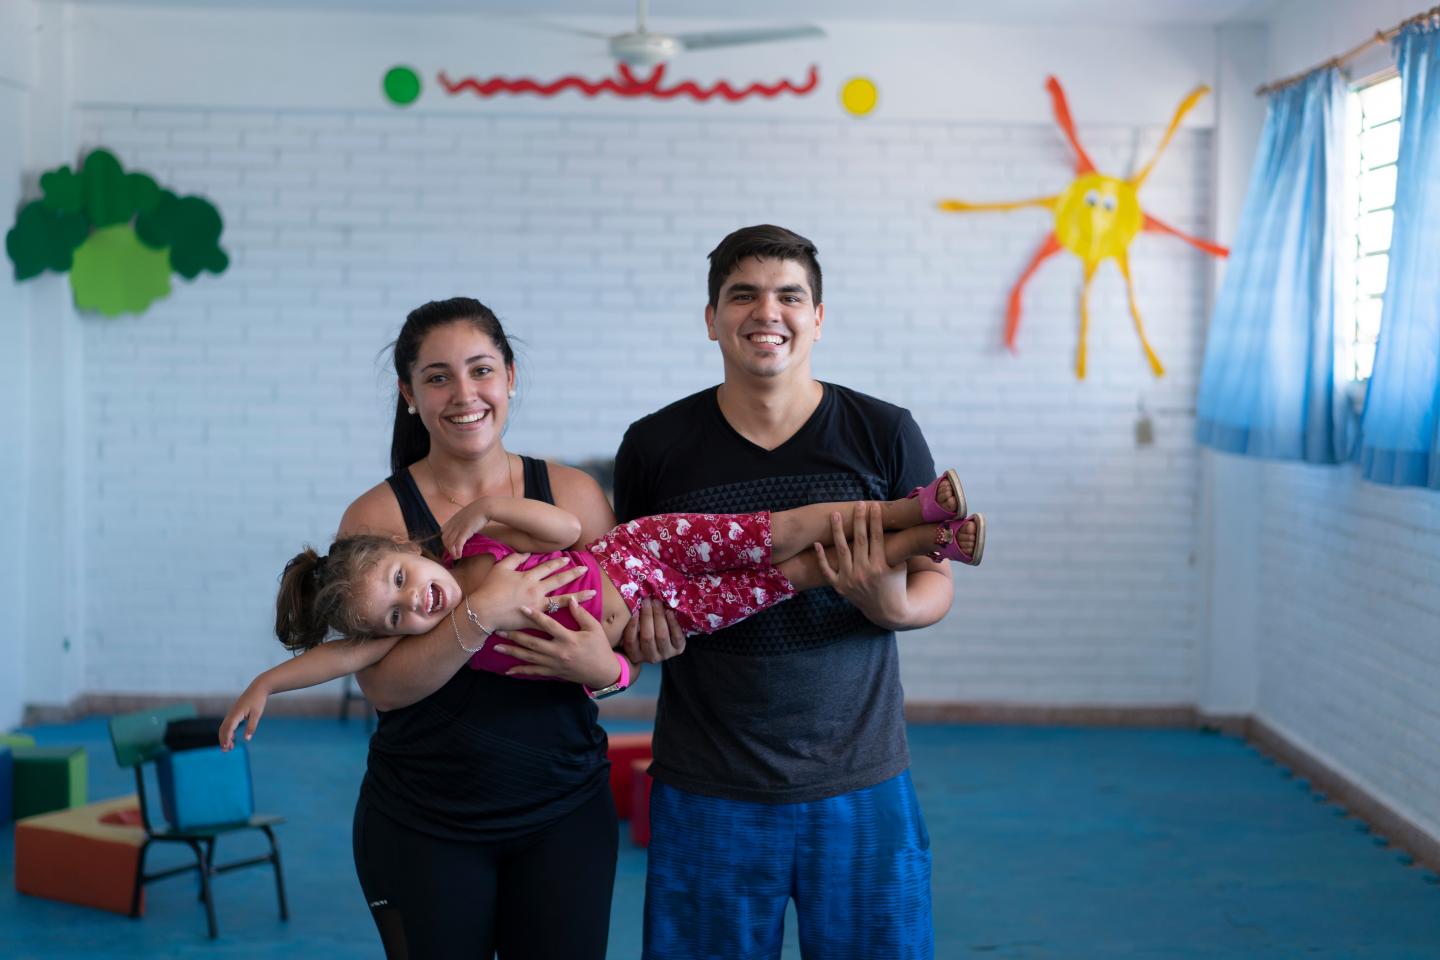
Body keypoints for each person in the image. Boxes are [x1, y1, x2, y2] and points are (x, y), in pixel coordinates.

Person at [614, 224, 957, 959]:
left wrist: (893, 607)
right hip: (709, 785)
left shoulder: (884, 432)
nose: (767, 313)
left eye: (788, 296)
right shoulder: (656, 445)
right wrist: (641, 634)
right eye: (743, 296)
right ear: (711, 319)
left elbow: (935, 580)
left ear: (818, 317)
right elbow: (635, 586)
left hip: (859, 781)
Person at [319, 296, 685, 960]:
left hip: (564, 810)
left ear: (510, 376)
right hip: (423, 819)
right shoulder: (379, 516)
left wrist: (610, 667)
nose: (464, 393)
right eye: (437, 377)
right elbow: (385, 689)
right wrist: (481, 610)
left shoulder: (572, 496)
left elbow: (616, 639)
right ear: (409, 394)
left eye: (481, 370)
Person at [220, 475, 984, 746]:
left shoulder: (467, 559)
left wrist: (491, 509)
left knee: (780, 530)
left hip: (636, 553)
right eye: (395, 618)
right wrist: (265, 683)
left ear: (415, 549)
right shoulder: (434, 633)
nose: (412, 602)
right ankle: (933, 539)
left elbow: (566, 532)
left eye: (398, 578)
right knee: (799, 575)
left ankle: (906, 506)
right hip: (670, 605)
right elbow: (336, 658)